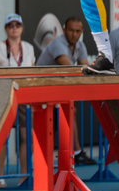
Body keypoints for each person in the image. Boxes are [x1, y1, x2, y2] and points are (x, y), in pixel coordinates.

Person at [0, 13, 34, 188]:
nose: (14, 28)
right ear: (6, 29)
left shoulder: (28, 48)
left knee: (25, 136)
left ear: (22, 28)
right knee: (2, 138)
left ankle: (24, 176)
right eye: (11, 25)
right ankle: (0, 177)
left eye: (17, 25)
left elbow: (33, 73)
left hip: (24, 98)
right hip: (2, 97)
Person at [37, 17, 96, 166]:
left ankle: (73, 153)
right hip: (40, 88)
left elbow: (87, 70)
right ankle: (43, 161)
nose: (74, 34)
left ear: (82, 32)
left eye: (77, 31)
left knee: (69, 112)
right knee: (51, 124)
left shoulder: (80, 45)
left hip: (55, 88)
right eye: (71, 30)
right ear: (64, 30)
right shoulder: (58, 44)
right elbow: (68, 68)